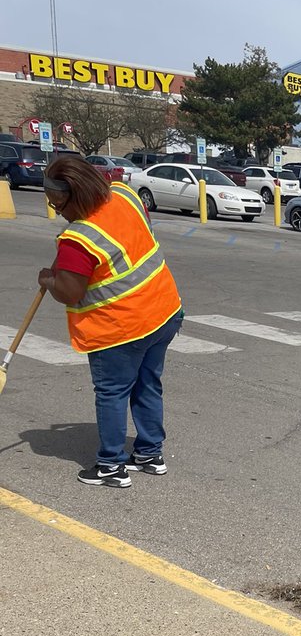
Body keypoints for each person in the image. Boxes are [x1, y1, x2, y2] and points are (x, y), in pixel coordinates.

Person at [38, 155, 183, 488]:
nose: (59, 213)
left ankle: (111, 466)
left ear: (75, 197)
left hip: (122, 329)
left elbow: (70, 292)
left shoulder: (79, 239)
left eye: (58, 205)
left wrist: (47, 279)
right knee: (147, 384)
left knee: (112, 392)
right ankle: (149, 454)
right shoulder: (124, 194)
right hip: (163, 312)